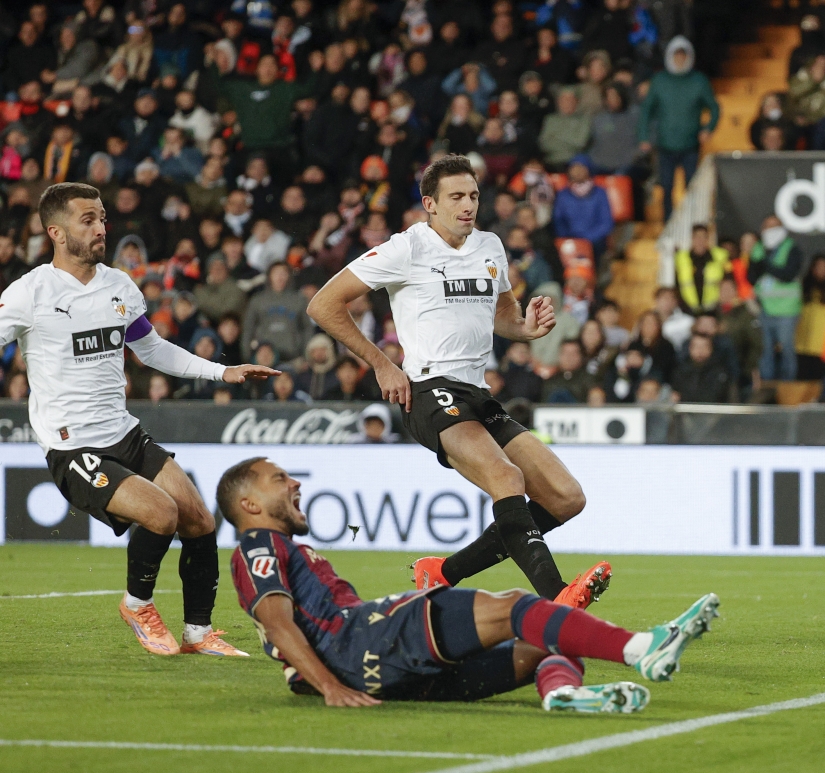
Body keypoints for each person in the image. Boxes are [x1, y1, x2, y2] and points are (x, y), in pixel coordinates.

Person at [307, 155, 609, 607]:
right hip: (428, 389)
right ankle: (557, 598)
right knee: (507, 478)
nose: (468, 205)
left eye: (473, 196)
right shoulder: (406, 249)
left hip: (478, 391)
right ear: (430, 203)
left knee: (567, 498)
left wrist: (528, 327)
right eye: (456, 197)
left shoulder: (489, 246)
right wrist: (382, 363)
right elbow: (323, 304)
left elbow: (504, 317)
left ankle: (442, 573)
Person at [0, 183, 277, 656]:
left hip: (124, 433)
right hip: (74, 447)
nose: (101, 227)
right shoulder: (29, 293)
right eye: (87, 219)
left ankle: (197, 632)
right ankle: (137, 604)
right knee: (161, 513)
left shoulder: (118, 285)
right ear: (56, 232)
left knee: (198, 520)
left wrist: (221, 370)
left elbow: (150, 349)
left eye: (102, 217)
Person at [221, 457, 719, 709]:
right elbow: (276, 621)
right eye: (279, 479)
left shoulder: (273, 549)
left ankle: (563, 694)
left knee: (550, 641)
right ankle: (641, 648)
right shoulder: (259, 546)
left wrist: (319, 681)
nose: (295, 483)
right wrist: (330, 686)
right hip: (361, 641)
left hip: (370, 667)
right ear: (249, 506)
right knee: (516, 607)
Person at [637, 37, 720, 220]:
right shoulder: (659, 81)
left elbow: (714, 107)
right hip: (665, 144)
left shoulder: (698, 81)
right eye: (677, 56)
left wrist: (708, 128)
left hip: (690, 144)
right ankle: (668, 222)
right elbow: (646, 111)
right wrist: (644, 137)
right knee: (666, 186)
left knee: (692, 186)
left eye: (684, 56)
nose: (680, 60)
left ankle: (693, 220)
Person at [748, 216, 803, 381]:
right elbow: (751, 276)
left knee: (787, 350)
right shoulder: (758, 248)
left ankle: (787, 385)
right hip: (765, 308)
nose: (771, 231)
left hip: (787, 309)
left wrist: (765, 265)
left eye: (775, 227)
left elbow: (788, 274)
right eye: (767, 227)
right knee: (765, 351)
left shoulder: (791, 248)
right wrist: (766, 265)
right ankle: (767, 386)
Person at [673, 225, 730, 317]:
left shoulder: (720, 256)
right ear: (692, 238)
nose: (700, 240)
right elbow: (676, 284)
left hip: (714, 308)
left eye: (704, 237)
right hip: (687, 308)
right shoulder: (681, 258)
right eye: (697, 237)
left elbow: (728, 280)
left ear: (708, 239)